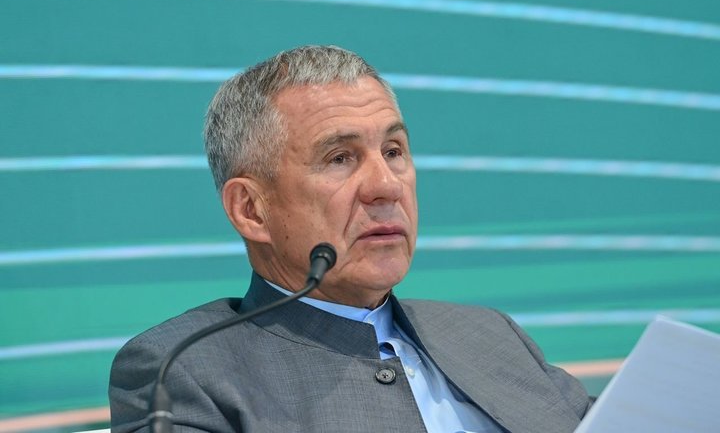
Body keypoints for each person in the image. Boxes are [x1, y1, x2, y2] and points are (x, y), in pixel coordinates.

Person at [109, 45, 593, 433]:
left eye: (393, 151)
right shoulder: (184, 369)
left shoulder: (486, 334)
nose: (386, 186)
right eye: (339, 158)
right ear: (251, 210)